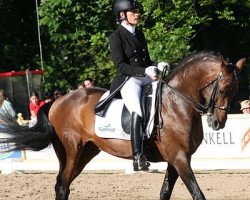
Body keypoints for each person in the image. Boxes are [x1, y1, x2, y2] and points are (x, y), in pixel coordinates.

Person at [109, 0, 169, 171]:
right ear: (122, 15)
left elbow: (147, 61)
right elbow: (120, 66)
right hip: (129, 79)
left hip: (146, 76)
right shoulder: (116, 36)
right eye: (133, 11)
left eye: (137, 11)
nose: (137, 14)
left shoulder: (139, 33)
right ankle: (137, 156)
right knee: (138, 110)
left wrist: (158, 64)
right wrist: (144, 71)